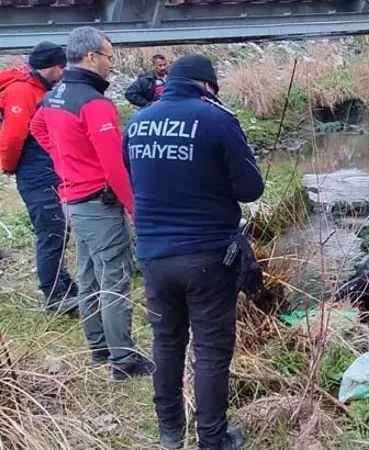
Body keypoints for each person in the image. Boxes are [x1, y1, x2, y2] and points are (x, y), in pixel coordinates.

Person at [124, 54, 264, 450]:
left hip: (153, 256)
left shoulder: (136, 123)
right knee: (210, 352)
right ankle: (212, 440)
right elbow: (251, 189)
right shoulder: (218, 120)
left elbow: (135, 179)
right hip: (206, 257)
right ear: (207, 86)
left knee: (166, 344)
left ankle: (170, 434)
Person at [30, 26, 152, 382]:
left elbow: (37, 128)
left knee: (87, 275)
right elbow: (114, 165)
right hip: (98, 202)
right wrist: (133, 207)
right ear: (92, 57)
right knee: (114, 278)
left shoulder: (55, 94)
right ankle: (124, 360)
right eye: (110, 57)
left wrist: (63, 161)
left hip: (73, 200)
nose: (112, 65)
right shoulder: (94, 103)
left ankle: (98, 346)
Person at [0, 41, 78, 315]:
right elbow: (12, 137)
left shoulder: (35, 88)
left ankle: (63, 285)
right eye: (62, 67)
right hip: (35, 173)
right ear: (53, 67)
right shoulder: (22, 91)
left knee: (57, 229)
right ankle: (55, 296)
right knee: (51, 230)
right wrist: (10, 166)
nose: (64, 72)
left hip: (43, 170)